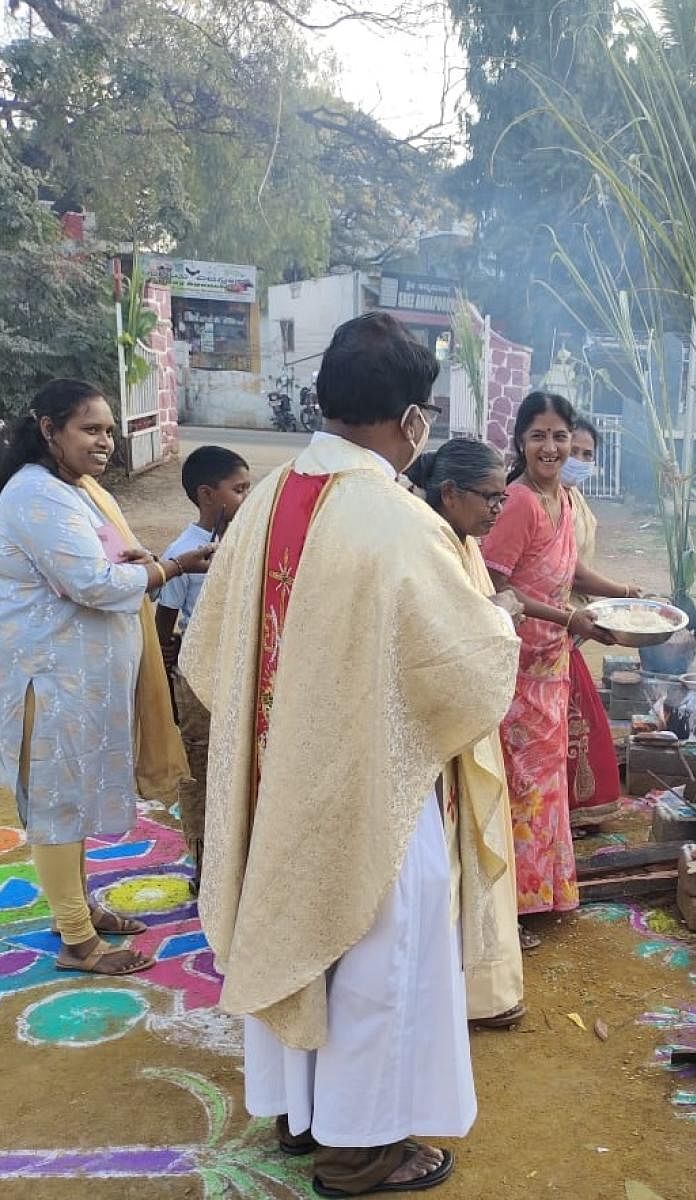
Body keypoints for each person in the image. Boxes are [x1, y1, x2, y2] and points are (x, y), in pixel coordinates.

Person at [179, 311, 519, 1195]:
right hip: (372, 784)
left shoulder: (264, 499)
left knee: (295, 926)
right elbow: (465, 666)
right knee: (382, 948)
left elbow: (211, 650)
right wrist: (502, 628)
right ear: (412, 419)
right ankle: (361, 1148)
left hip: (274, 773)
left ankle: (301, 1114)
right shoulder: (400, 524)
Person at [0, 379, 214, 976]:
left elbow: (114, 559)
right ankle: (76, 940)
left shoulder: (78, 490)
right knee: (56, 809)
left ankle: (80, 910)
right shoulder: (33, 497)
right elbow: (92, 582)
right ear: (49, 430)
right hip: (50, 682)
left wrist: (144, 564)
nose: (105, 441)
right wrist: (170, 566)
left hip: (81, 683)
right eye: (90, 429)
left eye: (109, 430)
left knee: (71, 802)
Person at [480, 392, 641, 947]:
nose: (551, 447)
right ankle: (510, 910)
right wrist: (571, 616)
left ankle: (543, 893)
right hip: (516, 668)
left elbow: (569, 569)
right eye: (538, 436)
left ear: (573, 440)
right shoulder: (519, 501)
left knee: (547, 785)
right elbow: (495, 584)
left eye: (559, 436)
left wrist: (623, 593)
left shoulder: (566, 500)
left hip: (553, 663)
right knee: (519, 785)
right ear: (520, 442)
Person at [405, 440, 526, 1029]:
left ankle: (477, 981)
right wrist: (499, 612)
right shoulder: (429, 544)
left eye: (504, 496)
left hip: (468, 722)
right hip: (439, 731)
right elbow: (447, 639)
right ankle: (450, 986)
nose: (498, 510)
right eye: (490, 497)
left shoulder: (462, 541)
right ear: (449, 493)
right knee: (446, 858)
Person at [155, 445, 252, 896]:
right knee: (201, 769)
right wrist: (170, 681)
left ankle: (237, 858)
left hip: (235, 676)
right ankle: (205, 865)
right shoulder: (184, 552)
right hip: (197, 682)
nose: (247, 497)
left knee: (236, 765)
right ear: (207, 494)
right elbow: (164, 623)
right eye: (239, 489)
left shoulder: (243, 544)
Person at [563, 419, 630, 819]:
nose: (581, 461)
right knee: (580, 724)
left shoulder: (574, 498)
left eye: (588, 455)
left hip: (573, 620)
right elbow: (570, 570)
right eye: (575, 451)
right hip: (553, 622)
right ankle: (574, 808)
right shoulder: (539, 500)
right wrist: (622, 593)